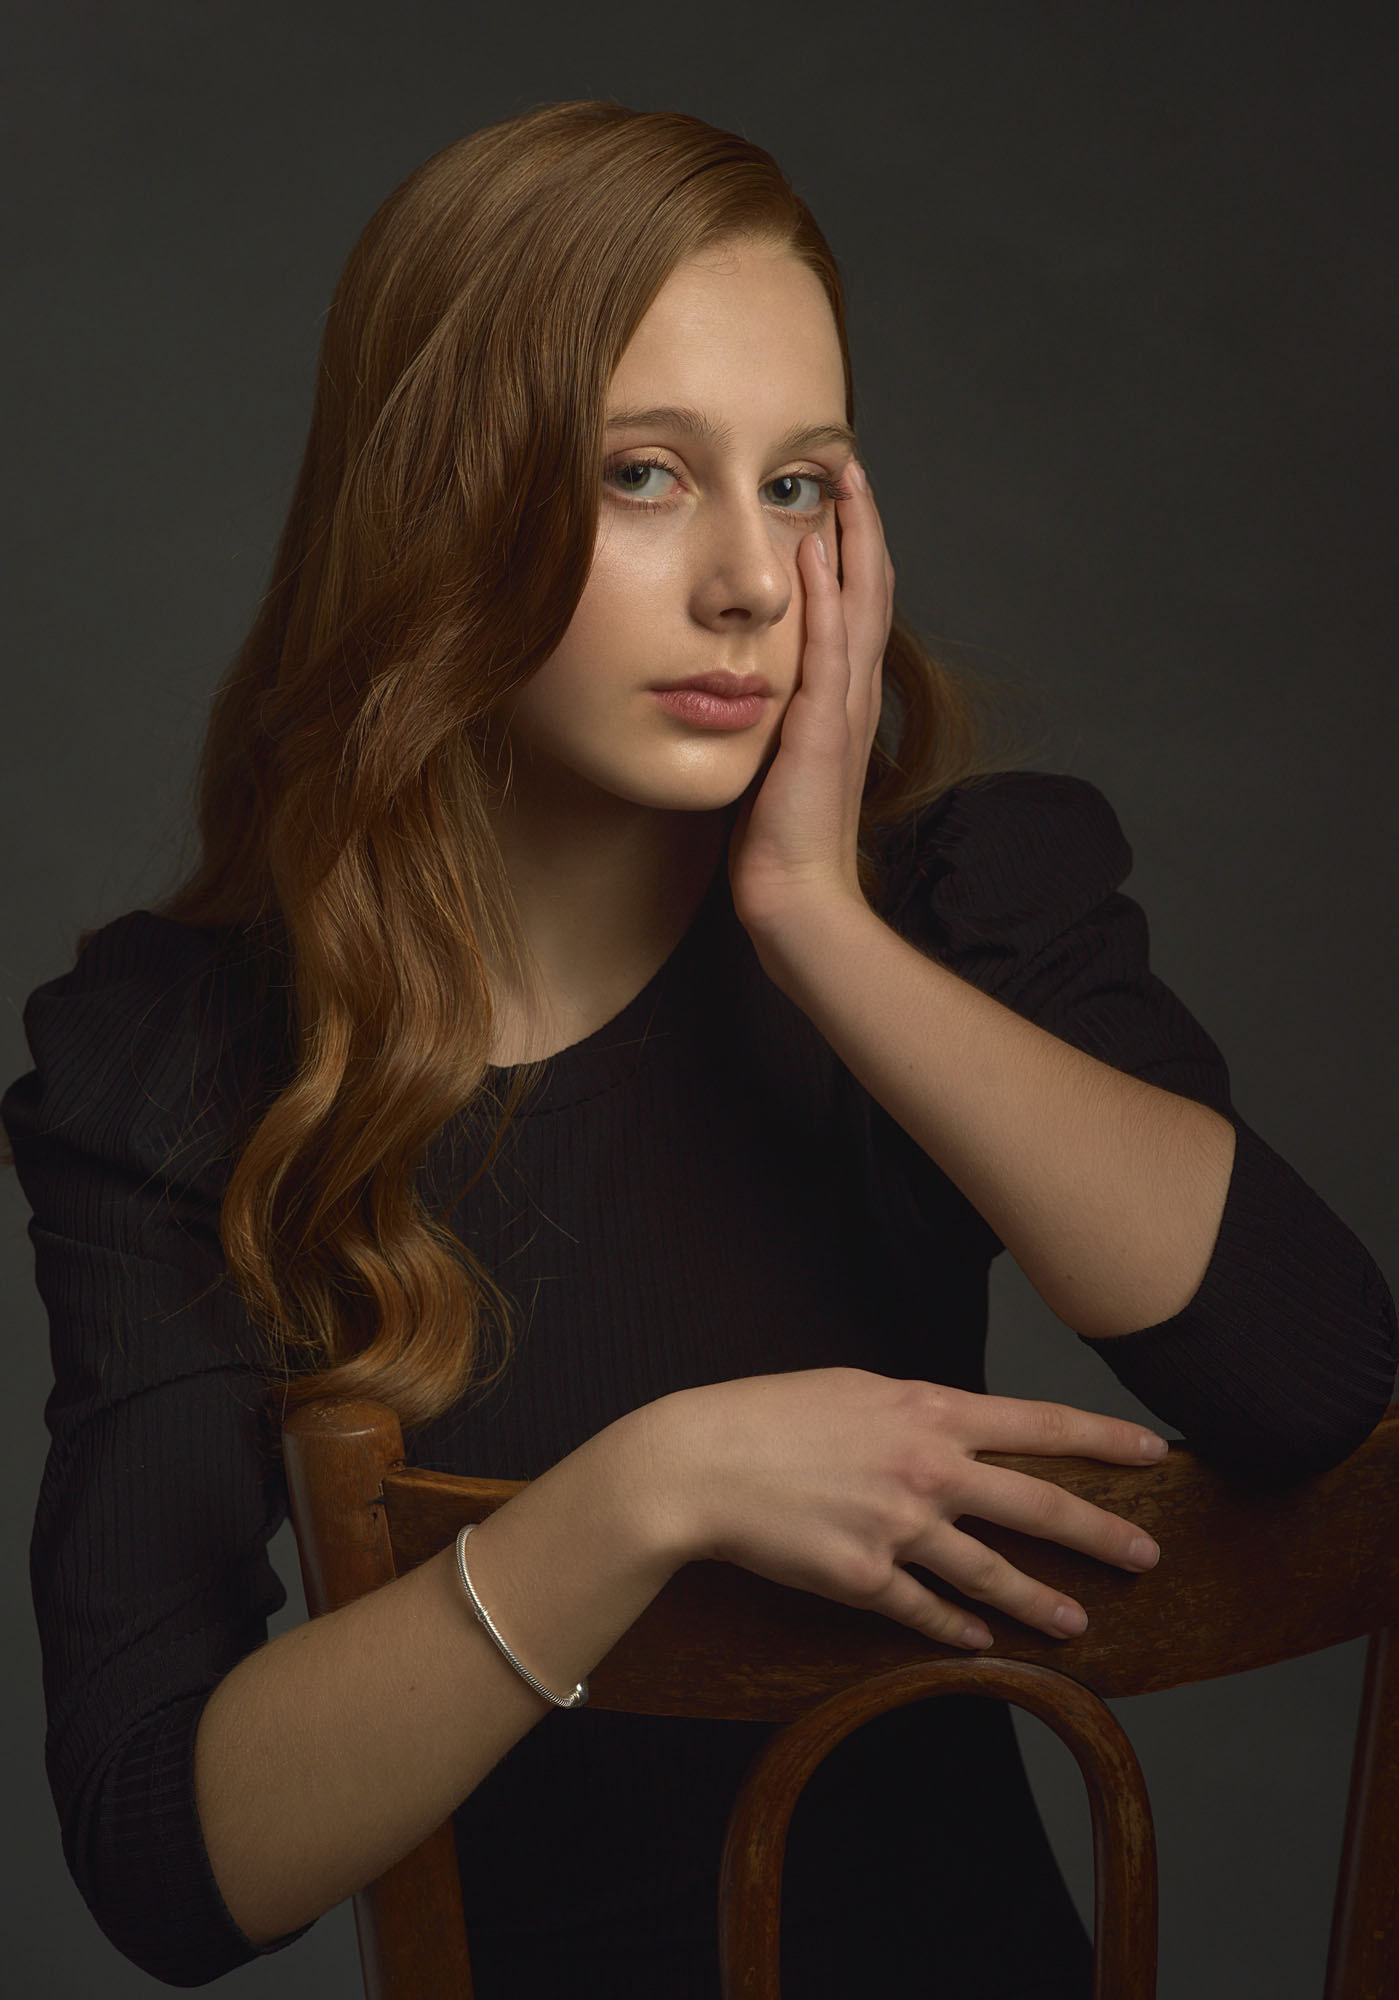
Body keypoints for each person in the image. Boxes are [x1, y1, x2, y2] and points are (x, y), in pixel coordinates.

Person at [3, 99, 1394, 2000]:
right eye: (645, 474)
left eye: (800, 483)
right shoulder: (179, 1063)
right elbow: (165, 1866)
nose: (748, 578)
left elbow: (1314, 1381)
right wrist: (644, 1495)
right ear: (441, 504)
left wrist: (816, 920)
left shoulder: (963, 904)